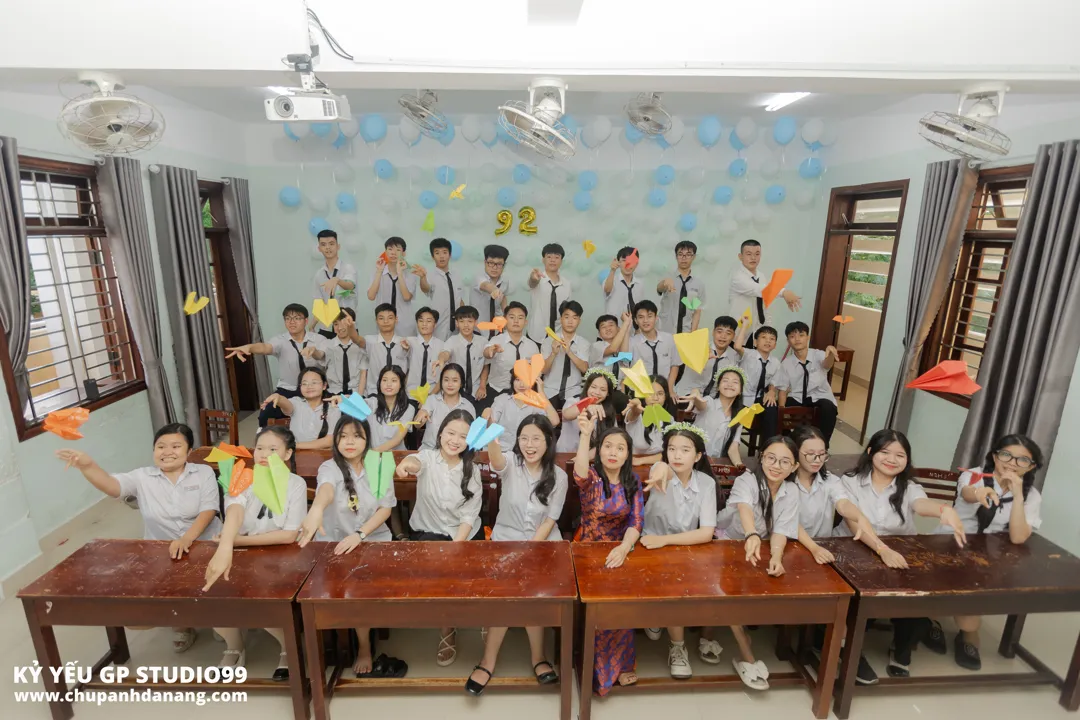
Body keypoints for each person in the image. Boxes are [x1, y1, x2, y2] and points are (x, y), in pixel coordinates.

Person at [56, 423, 221, 653]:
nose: (167, 452)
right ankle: (182, 624)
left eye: (176, 446)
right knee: (146, 605)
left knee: (214, 586)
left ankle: (219, 620)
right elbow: (113, 487)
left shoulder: (203, 473)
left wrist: (187, 539)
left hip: (206, 544)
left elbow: (209, 509)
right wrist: (88, 466)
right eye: (160, 446)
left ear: (189, 451)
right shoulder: (142, 477)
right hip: (163, 551)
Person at [838, 429, 967, 678]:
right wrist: (881, 549)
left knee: (914, 597)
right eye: (885, 452)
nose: (892, 459)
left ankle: (902, 647)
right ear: (870, 452)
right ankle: (850, 651)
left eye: (900, 455)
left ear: (907, 460)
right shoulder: (850, 481)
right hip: (855, 548)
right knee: (859, 602)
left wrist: (943, 510)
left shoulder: (909, 487)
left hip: (899, 551)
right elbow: (854, 524)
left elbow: (921, 505)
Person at [789, 425, 907, 686]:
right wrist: (814, 548)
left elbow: (843, 503)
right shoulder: (785, 480)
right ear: (795, 452)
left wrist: (859, 516)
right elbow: (788, 520)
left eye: (822, 454)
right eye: (810, 454)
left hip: (823, 549)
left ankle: (840, 646)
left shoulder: (830, 481)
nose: (817, 460)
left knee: (851, 590)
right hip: (790, 546)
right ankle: (827, 643)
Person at [465, 416, 568, 695]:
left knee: (533, 595)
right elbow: (497, 461)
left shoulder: (559, 476)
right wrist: (493, 439)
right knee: (506, 597)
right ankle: (488, 661)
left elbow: (550, 520)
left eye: (536, 439)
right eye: (524, 438)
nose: (529, 445)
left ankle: (538, 657)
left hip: (542, 545)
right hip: (506, 543)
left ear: (549, 441)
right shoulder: (511, 462)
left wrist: (530, 551)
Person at [923, 434, 1044, 671]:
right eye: (1006, 455)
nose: (1012, 463)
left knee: (967, 620)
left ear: (1031, 467)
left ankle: (968, 632)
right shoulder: (975, 475)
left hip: (989, 556)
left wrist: (1018, 495)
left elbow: (1018, 537)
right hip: (950, 543)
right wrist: (980, 494)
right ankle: (931, 619)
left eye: (1022, 460)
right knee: (935, 597)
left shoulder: (1032, 496)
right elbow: (968, 493)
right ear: (994, 456)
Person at [297, 417, 398, 677]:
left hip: (373, 540)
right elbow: (326, 491)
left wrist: (360, 535)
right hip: (334, 542)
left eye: (357, 436)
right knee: (322, 591)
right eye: (343, 436)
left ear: (367, 439)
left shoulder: (380, 465)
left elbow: (385, 509)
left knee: (360, 590)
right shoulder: (329, 467)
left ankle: (364, 645)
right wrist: (316, 509)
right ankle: (329, 646)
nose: (349, 442)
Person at [203, 426, 308, 674]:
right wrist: (226, 546)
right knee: (211, 594)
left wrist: (235, 542)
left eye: (273, 449)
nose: (264, 454)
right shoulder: (241, 477)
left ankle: (287, 647)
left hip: (282, 554)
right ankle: (234, 646)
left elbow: (289, 535)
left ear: (287, 454)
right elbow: (235, 512)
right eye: (260, 448)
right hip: (242, 551)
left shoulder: (296, 484)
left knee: (264, 601)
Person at [396, 409, 485, 666]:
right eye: (450, 433)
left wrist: (457, 546)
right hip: (430, 532)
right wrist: (405, 464)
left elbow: (469, 515)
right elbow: (415, 462)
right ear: (440, 432)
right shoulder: (428, 457)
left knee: (470, 571)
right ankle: (447, 629)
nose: (455, 440)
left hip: (464, 533)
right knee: (443, 575)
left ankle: (483, 617)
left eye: (463, 436)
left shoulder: (471, 470)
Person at [714, 435, 801, 690]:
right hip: (726, 541)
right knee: (729, 594)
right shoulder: (747, 480)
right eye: (771, 458)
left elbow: (782, 529)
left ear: (795, 466)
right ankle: (746, 654)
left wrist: (776, 556)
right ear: (761, 457)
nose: (776, 465)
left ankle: (716, 636)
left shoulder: (792, 491)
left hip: (759, 546)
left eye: (785, 461)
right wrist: (751, 534)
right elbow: (745, 509)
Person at [573, 413, 644, 695]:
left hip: (619, 550)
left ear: (627, 454)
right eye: (607, 446)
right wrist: (585, 435)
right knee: (597, 608)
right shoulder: (592, 478)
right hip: (587, 553)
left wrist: (624, 548)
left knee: (622, 604)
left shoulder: (632, 481)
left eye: (620, 448)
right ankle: (596, 670)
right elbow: (579, 472)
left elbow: (636, 521)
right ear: (599, 450)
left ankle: (622, 664)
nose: (613, 452)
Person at [640, 424, 718, 678]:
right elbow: (661, 469)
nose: (677, 455)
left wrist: (666, 541)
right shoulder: (661, 470)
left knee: (677, 586)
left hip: (684, 546)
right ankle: (657, 615)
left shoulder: (706, 483)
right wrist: (662, 467)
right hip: (648, 545)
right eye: (672, 449)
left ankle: (677, 646)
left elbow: (706, 533)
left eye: (685, 450)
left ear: (698, 456)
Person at [227, 303, 326, 428]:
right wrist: (250, 347)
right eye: (288, 318)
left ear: (306, 321)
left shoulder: (319, 340)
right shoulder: (280, 340)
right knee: (265, 414)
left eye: (297, 318)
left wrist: (314, 352)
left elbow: (322, 356)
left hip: (314, 389)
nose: (292, 322)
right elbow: (265, 347)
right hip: (288, 389)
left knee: (325, 415)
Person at [727, 239, 801, 346]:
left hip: (757, 331)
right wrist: (784, 292)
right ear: (740, 256)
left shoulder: (761, 276)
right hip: (739, 332)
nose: (753, 258)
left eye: (757, 254)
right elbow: (758, 290)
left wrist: (768, 328)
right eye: (749, 254)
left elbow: (764, 305)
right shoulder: (737, 277)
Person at [777, 321, 840, 448]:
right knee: (779, 411)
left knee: (829, 407)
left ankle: (822, 446)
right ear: (788, 341)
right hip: (797, 397)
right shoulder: (786, 363)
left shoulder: (818, 354)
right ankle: (790, 445)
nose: (797, 339)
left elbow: (827, 364)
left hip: (820, 396)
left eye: (801, 335)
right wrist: (782, 411)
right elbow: (783, 390)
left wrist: (831, 354)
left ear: (808, 337)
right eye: (792, 336)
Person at [262, 367, 340, 450]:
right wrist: (279, 397)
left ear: (324, 385)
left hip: (323, 455)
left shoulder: (333, 408)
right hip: (296, 454)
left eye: (314, 382)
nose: (309, 386)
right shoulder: (296, 402)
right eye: (304, 383)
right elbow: (286, 405)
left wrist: (293, 445)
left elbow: (329, 441)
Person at [685, 365, 745, 465]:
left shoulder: (739, 416)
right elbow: (700, 404)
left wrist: (739, 465)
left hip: (715, 463)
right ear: (718, 387)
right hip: (694, 459)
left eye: (735, 382)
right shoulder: (709, 402)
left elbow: (733, 447)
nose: (730, 384)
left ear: (740, 391)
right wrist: (695, 392)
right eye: (725, 380)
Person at [483, 301, 541, 404]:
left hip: (523, 392)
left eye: (520, 318)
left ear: (525, 322)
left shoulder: (532, 346)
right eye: (512, 317)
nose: (516, 321)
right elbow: (486, 353)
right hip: (497, 390)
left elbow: (537, 371)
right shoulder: (496, 340)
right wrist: (491, 351)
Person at [483, 375, 560, 452]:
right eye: (517, 380)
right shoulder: (502, 399)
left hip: (525, 453)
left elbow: (554, 421)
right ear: (512, 381)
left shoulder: (537, 403)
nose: (521, 385)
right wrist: (486, 417)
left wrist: (541, 393)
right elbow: (490, 426)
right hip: (500, 451)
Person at [733, 323, 782, 442]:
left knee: (771, 407)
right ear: (755, 342)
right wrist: (744, 326)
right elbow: (737, 346)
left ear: (775, 345)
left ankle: (767, 445)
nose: (768, 341)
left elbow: (774, 381)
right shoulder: (748, 354)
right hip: (742, 398)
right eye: (764, 337)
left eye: (772, 339)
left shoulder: (776, 362)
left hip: (759, 399)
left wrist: (771, 391)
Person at [542, 300, 591, 411]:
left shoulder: (584, 343)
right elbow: (543, 370)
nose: (570, 321)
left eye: (574, 318)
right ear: (561, 319)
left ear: (579, 321)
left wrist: (569, 352)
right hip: (550, 391)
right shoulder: (548, 341)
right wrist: (553, 353)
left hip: (573, 392)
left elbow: (584, 369)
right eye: (567, 317)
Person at [674, 316, 740, 398]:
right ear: (713, 332)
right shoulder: (700, 346)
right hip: (685, 395)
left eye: (728, 333)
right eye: (719, 332)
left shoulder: (734, 356)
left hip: (710, 400)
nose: (723, 336)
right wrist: (702, 357)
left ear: (733, 336)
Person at [415, 363, 476, 452]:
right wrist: (421, 417)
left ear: (461, 383)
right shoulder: (431, 400)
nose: (450, 384)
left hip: (455, 453)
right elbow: (417, 425)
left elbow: (472, 436)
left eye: (455, 380)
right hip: (430, 451)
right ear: (441, 382)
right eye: (446, 380)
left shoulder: (468, 406)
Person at [556, 368, 619, 453]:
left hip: (594, 456)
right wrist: (586, 405)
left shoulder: (608, 410)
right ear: (587, 387)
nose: (597, 392)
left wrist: (588, 456)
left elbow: (612, 438)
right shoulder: (573, 401)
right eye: (593, 387)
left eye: (603, 390)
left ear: (608, 393)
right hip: (567, 453)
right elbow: (567, 414)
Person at [366, 236, 418, 336]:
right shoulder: (377, 271)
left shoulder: (410, 274)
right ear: (385, 252)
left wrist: (400, 273)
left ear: (404, 253)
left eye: (398, 250)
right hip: (383, 323)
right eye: (390, 249)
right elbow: (371, 296)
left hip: (405, 324)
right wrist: (379, 272)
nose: (393, 253)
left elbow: (407, 297)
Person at [311, 229, 358, 339]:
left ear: (338, 246)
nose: (328, 247)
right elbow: (320, 305)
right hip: (326, 328)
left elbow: (350, 285)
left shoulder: (348, 268)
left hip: (346, 325)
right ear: (319, 248)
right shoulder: (319, 274)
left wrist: (337, 280)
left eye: (331, 244)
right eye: (323, 245)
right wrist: (312, 326)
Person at [356, 365, 415, 452]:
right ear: (379, 383)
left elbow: (397, 439)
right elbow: (356, 401)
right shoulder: (372, 403)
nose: (388, 384)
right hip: (372, 455)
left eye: (394, 380)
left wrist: (373, 452)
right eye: (384, 380)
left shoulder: (408, 408)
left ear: (401, 385)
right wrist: (341, 398)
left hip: (396, 455)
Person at [438, 305, 489, 404]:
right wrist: (441, 360)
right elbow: (445, 353)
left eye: (470, 321)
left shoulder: (483, 341)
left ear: (476, 323)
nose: (466, 325)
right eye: (461, 321)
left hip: (477, 389)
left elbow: (485, 365)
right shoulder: (452, 341)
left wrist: (482, 386)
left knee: (484, 411)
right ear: (457, 323)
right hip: (456, 389)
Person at [623, 375, 678, 465]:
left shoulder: (669, 418)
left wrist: (641, 461)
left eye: (660, 394)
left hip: (658, 465)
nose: (655, 398)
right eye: (650, 393)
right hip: (632, 466)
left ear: (665, 396)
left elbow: (670, 453)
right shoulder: (637, 414)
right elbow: (634, 413)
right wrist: (635, 407)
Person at [418, 237, 465, 341]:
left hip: (457, 328)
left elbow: (460, 299)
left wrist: (464, 319)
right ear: (432, 256)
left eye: (444, 252)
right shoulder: (429, 275)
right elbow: (425, 288)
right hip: (438, 327)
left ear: (450, 255)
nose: (441, 256)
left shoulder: (457, 275)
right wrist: (422, 277)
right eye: (437, 253)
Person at [629, 300, 682, 392]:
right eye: (641, 317)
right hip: (640, 392)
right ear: (636, 321)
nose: (645, 321)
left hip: (664, 390)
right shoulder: (631, 342)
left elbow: (675, 364)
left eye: (649, 316)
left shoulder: (668, 338)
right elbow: (624, 365)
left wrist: (669, 390)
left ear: (656, 318)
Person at [656, 240, 706, 335]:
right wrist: (665, 283)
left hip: (686, 331)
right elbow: (659, 288)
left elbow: (696, 311)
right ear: (676, 256)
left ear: (694, 257)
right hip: (665, 330)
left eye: (688, 254)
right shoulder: (668, 276)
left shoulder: (698, 284)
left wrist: (692, 334)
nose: (684, 258)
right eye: (680, 254)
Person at [360, 304, 410, 397]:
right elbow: (357, 340)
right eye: (381, 318)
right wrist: (350, 328)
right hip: (375, 393)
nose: (386, 321)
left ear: (396, 319)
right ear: (376, 320)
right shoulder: (370, 341)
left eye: (390, 318)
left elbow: (410, 370)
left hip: (399, 394)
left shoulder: (405, 342)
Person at [527, 243, 572, 341]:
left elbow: (566, 311)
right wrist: (533, 278)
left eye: (557, 257)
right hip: (535, 334)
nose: (552, 260)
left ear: (561, 261)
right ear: (543, 260)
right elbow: (532, 282)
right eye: (549, 257)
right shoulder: (537, 279)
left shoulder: (567, 284)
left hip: (558, 335)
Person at [472, 244, 511, 337]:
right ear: (485, 262)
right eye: (491, 263)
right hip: (478, 331)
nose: (494, 267)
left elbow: (503, 297)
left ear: (504, 265)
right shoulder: (478, 277)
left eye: (499, 264)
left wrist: (507, 315)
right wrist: (494, 290)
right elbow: (486, 285)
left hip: (497, 330)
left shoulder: (505, 281)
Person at [403, 307, 445, 394]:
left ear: (435, 324)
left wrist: (431, 396)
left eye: (428, 321)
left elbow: (444, 375)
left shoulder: (442, 346)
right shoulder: (409, 342)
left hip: (433, 393)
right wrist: (405, 348)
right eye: (421, 321)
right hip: (411, 392)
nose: (424, 324)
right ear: (417, 323)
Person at [325, 308, 365, 397]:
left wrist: (359, 397)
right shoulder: (328, 345)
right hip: (333, 392)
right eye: (336, 324)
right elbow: (320, 358)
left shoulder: (361, 346)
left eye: (344, 323)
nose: (340, 328)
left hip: (356, 392)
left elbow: (363, 373)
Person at [603, 246, 642, 330]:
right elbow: (607, 289)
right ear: (618, 262)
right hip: (614, 330)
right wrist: (612, 270)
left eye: (631, 261)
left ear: (636, 263)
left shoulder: (640, 284)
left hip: (634, 331)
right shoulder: (611, 280)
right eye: (624, 260)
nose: (628, 264)